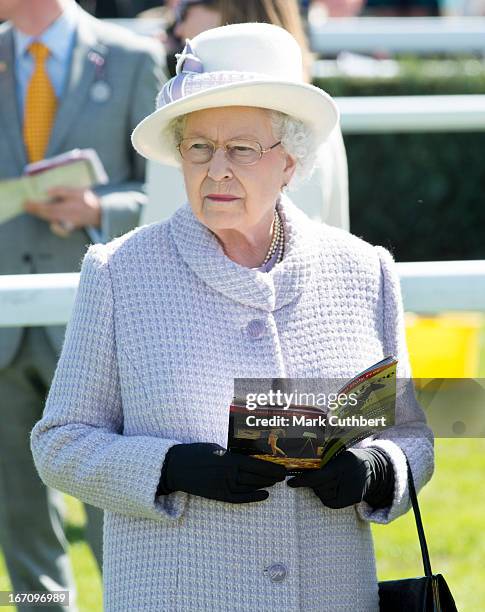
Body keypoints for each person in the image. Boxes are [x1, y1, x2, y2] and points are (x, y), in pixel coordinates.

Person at [31, 23, 434, 611]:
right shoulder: (121, 273)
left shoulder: (361, 271)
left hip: (327, 593)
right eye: (198, 147)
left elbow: (410, 436)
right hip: (176, 595)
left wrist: (373, 470)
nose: (216, 169)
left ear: (291, 162)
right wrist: (170, 468)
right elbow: (59, 442)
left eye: (242, 149)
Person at [0, 0, 163, 608]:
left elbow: (165, 186)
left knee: (108, 500)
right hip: (3, 327)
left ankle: (130, 600)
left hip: (99, 319)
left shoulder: (130, 58)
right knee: (20, 514)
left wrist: (100, 210)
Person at [145, 0, 349, 230]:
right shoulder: (315, 118)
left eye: (182, 12)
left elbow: (154, 241)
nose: (177, 29)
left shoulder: (187, 127)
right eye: (201, 147)